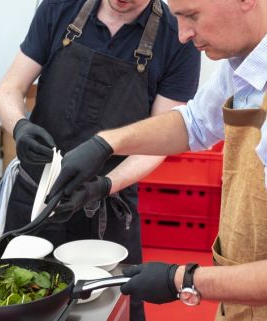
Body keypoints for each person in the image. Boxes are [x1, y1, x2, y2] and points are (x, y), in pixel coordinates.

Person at [48, 0, 267, 320]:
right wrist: (107, 143)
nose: (182, 35)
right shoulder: (241, 64)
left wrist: (183, 280)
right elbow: (193, 122)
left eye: (192, 16)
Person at [0, 0, 200, 320]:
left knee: (107, 308)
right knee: (14, 300)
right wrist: (19, 126)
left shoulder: (177, 36)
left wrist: (103, 186)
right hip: (33, 200)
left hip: (107, 208)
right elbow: (9, 88)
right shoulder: (60, 8)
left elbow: (161, 140)